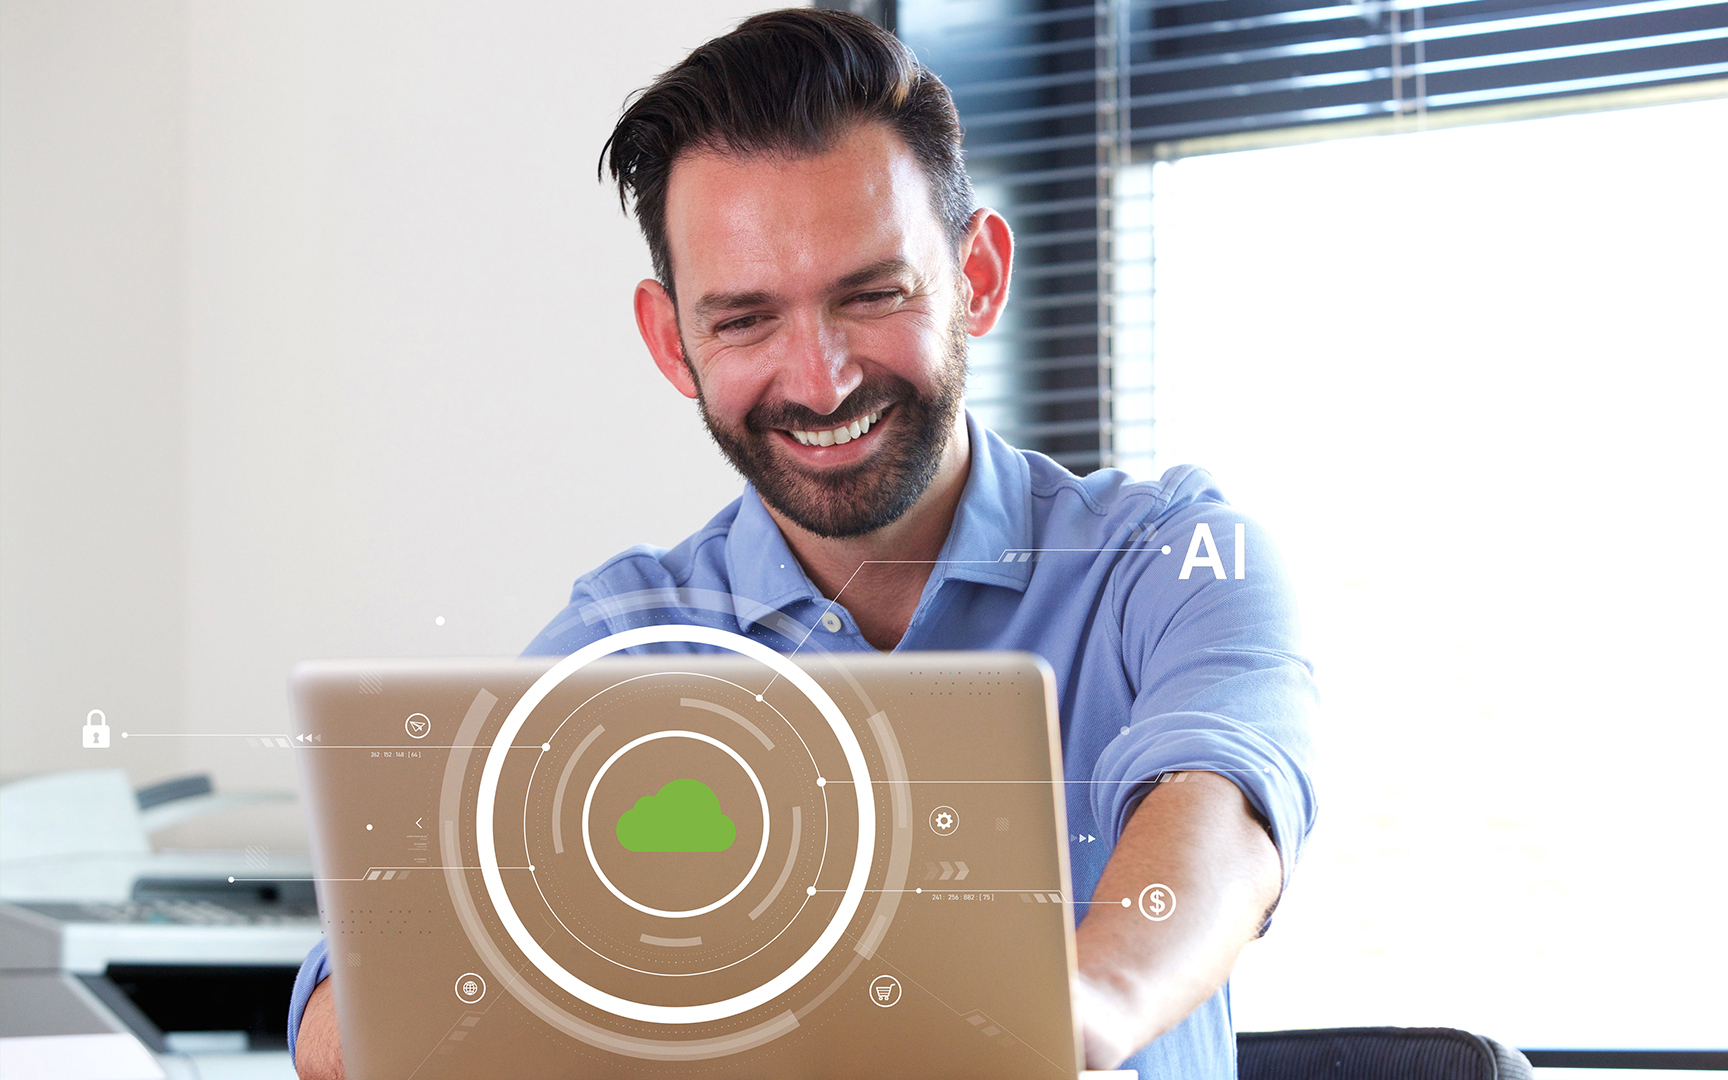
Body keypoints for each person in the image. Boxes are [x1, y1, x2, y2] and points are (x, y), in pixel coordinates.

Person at [288, 10, 1317, 1079]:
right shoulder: (627, 644)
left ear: (978, 276)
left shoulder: (1172, 562)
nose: (820, 382)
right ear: (672, 341)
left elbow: (1225, 805)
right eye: (744, 320)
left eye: (872, 295)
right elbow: (347, 1022)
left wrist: (1086, 1004)